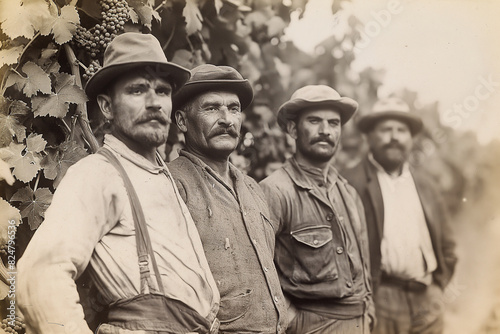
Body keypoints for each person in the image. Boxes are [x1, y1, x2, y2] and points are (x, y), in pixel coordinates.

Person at [17, 32, 220, 334]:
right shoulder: (99, 174)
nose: (155, 103)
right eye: (138, 90)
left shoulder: (161, 175)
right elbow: (39, 276)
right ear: (107, 107)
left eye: (163, 91)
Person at [168, 64, 287, 334]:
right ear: (182, 121)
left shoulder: (253, 188)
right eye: (211, 108)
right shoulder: (172, 185)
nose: (226, 119)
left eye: (233, 108)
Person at [260, 85, 375, 334]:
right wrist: (292, 320)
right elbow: (256, 271)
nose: (325, 131)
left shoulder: (348, 192)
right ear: (293, 129)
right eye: (314, 121)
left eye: (333, 123)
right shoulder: (275, 191)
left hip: (360, 321)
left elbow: (364, 268)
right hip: (312, 325)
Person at [343, 97, 458, 334]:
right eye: (386, 129)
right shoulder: (350, 182)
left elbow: (447, 244)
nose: (395, 137)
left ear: (411, 138)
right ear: (369, 136)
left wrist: (438, 285)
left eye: (401, 130)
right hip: (381, 298)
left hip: (427, 298)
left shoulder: (426, 185)